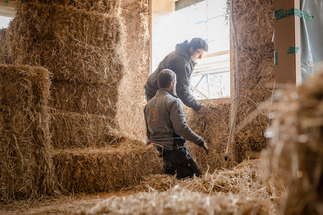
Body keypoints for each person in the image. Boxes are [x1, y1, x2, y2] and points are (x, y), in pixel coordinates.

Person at [144, 69, 209, 179]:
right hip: (173, 151)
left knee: (169, 181)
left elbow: (148, 132)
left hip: (157, 152)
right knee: (197, 178)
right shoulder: (173, 101)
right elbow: (181, 128)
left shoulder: (148, 105)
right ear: (171, 83)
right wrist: (199, 141)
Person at [144, 38, 208, 113]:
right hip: (154, 90)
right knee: (160, 119)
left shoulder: (182, 54)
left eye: (202, 54)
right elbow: (182, 90)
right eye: (198, 53)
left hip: (157, 88)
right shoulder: (182, 62)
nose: (200, 57)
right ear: (191, 49)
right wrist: (197, 106)